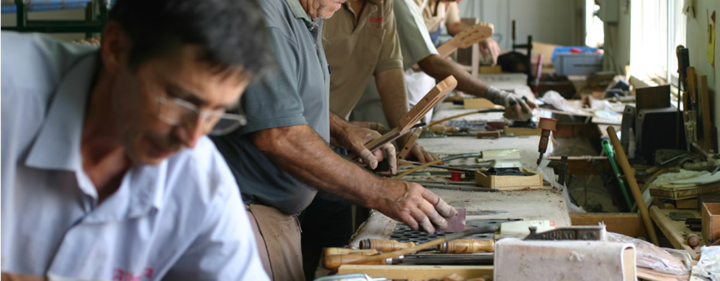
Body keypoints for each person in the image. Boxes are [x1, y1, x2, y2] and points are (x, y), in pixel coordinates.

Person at [1, 0, 270, 280]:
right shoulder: (9, 95)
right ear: (116, 48)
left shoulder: (200, 177)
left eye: (217, 113)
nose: (191, 139)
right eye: (180, 101)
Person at [210, 0, 459, 280]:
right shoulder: (269, 20)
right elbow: (280, 135)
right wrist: (381, 193)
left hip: (278, 213)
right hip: (250, 214)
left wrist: (342, 128)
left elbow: (291, 101)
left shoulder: (310, 14)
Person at [351, 0, 536, 127]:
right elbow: (430, 63)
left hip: (410, 86)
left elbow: (429, 59)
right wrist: (494, 94)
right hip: (380, 98)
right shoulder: (403, 3)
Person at [418, 0, 501, 65]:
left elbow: (454, 25)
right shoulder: (415, 2)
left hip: (429, 54)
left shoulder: (449, 3)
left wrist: (479, 35)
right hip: (411, 55)